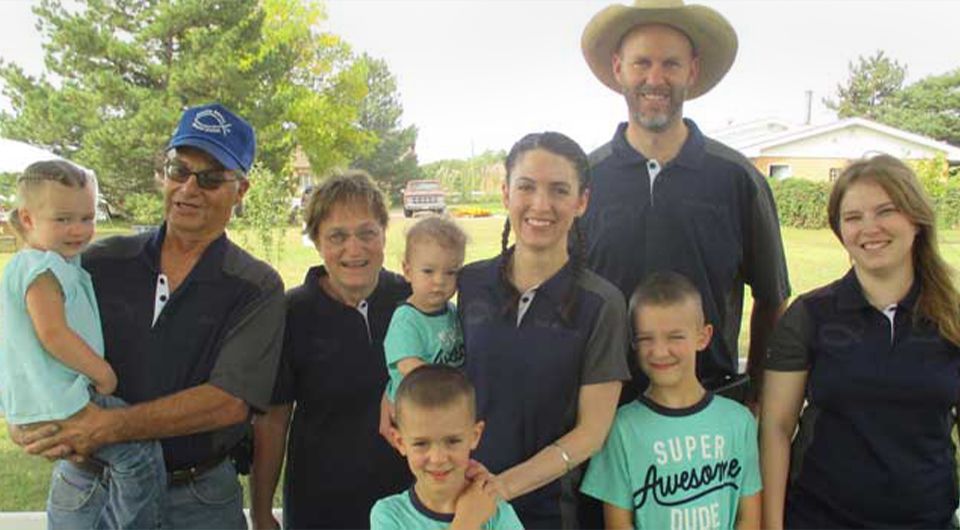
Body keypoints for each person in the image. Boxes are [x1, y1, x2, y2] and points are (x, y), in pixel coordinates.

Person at [9, 102, 286, 529]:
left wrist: (106, 427)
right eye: (179, 170)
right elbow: (23, 333)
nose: (189, 189)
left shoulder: (256, 286)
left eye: (210, 178)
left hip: (198, 500)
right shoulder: (96, 261)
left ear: (242, 190)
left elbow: (229, 402)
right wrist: (25, 416)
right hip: (87, 491)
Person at [579, 0, 790, 402]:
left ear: (691, 71)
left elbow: (771, 298)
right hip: (605, 412)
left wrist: (759, 396)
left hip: (711, 406)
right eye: (642, 63)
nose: (655, 78)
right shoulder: (584, 179)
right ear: (618, 67)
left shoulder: (737, 178)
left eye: (670, 64)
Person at [761, 154, 960, 528]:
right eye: (853, 217)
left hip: (927, 519)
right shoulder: (809, 315)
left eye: (885, 211)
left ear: (916, 220)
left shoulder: (952, 318)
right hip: (820, 518)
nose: (869, 228)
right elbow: (776, 427)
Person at [457, 131, 630, 528]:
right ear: (505, 194)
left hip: (553, 513)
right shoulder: (469, 284)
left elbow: (592, 431)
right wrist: (396, 383)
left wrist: (499, 489)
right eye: (526, 187)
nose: (541, 205)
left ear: (581, 201)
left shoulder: (602, 304)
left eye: (558, 190)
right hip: (464, 504)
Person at [1, 160, 165, 529]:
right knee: (138, 455)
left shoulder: (55, 264)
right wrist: (101, 372)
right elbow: (53, 333)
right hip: (61, 396)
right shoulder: (42, 270)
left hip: (50, 396)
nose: (79, 230)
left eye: (87, 217)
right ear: (28, 220)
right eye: (62, 219)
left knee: (128, 457)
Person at [250, 170, 412, 530]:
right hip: (320, 506)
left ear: (384, 233)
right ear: (316, 240)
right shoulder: (291, 312)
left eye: (367, 233)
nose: (354, 249)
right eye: (337, 236)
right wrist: (261, 512)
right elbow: (273, 422)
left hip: (407, 505)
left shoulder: (412, 301)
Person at [581, 271, 761, 530]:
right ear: (633, 343)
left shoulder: (738, 421)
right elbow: (618, 523)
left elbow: (749, 518)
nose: (660, 351)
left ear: (703, 337)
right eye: (646, 339)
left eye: (675, 337)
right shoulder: (621, 428)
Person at [371, 364, 524, 530]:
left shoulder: (494, 511)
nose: (438, 458)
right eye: (421, 443)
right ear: (400, 442)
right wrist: (467, 522)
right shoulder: (389, 515)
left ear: (475, 436)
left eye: (452, 441)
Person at [384, 215, 467, 404]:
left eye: (450, 272)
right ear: (407, 271)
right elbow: (409, 367)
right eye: (428, 271)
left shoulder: (452, 312)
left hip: (444, 404)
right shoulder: (406, 319)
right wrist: (453, 385)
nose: (439, 281)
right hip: (416, 408)